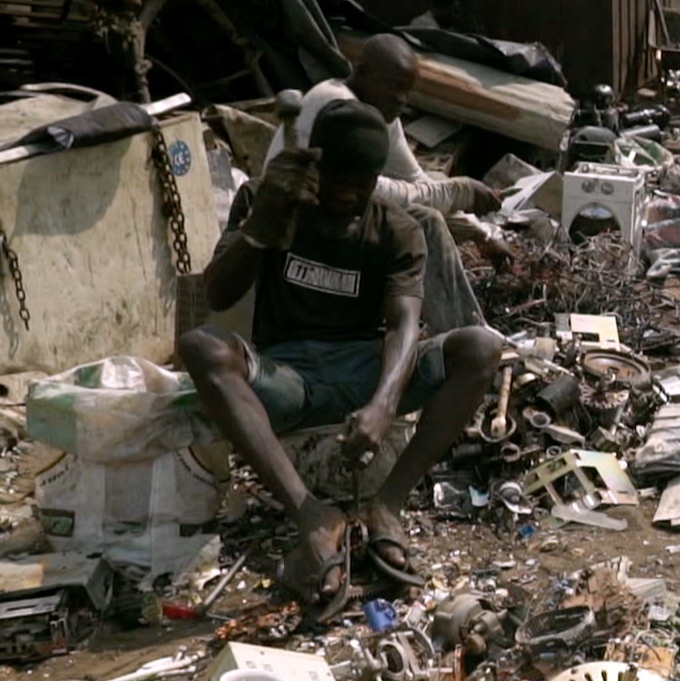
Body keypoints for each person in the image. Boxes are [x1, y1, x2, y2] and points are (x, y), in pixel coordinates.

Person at [180, 101, 504, 622]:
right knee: (201, 348)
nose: (348, 194)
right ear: (317, 164)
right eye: (337, 180)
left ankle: (388, 506)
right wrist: (263, 224)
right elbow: (218, 292)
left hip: (366, 368)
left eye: (362, 182)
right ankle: (310, 513)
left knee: (481, 347)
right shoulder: (274, 203)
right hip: (289, 377)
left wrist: (381, 405)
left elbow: (404, 325)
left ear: (377, 177)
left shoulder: (397, 230)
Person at [262, 34, 504, 333]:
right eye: (394, 89)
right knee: (425, 222)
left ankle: (466, 336)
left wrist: (480, 233)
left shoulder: (379, 110)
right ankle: (463, 334)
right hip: (301, 220)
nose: (402, 101)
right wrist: (459, 191)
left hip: (338, 216)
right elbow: (368, 190)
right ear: (362, 72)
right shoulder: (336, 104)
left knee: (433, 196)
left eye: (407, 91)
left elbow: (416, 180)